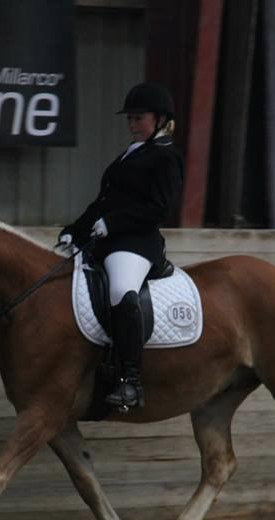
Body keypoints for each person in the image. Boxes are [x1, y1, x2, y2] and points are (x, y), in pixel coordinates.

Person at [58, 81, 184, 410]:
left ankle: (131, 381)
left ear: (159, 119)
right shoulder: (130, 153)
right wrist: (75, 229)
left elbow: (159, 209)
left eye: (138, 118)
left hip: (137, 242)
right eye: (129, 118)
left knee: (121, 291)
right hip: (106, 239)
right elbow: (102, 202)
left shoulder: (165, 157)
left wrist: (114, 223)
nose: (131, 124)